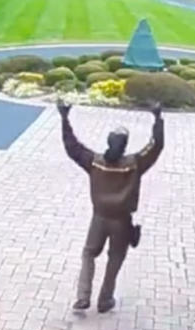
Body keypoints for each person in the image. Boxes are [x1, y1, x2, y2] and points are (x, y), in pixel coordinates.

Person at [58, 100, 164, 313]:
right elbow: (156, 146)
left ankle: (82, 296)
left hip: (99, 218)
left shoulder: (95, 162)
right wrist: (157, 119)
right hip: (122, 222)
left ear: (108, 142)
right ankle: (105, 299)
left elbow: (73, 148)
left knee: (89, 253)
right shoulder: (134, 163)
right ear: (125, 145)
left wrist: (64, 118)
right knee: (115, 258)